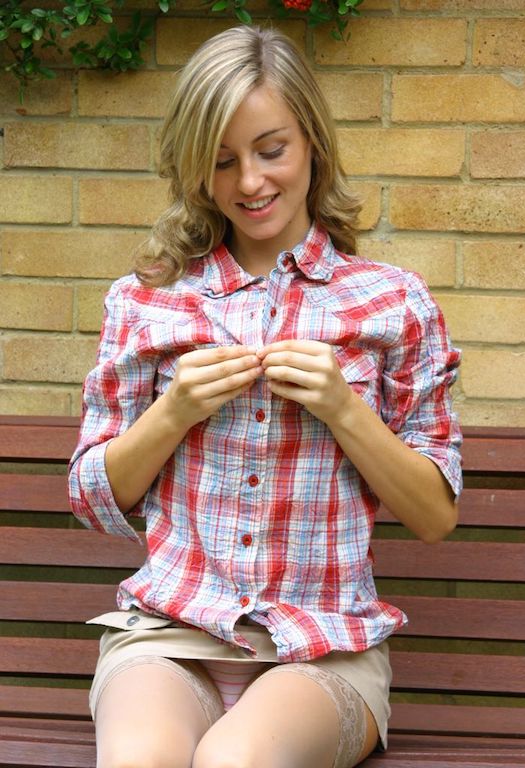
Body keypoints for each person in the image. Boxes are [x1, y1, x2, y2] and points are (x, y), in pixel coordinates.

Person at [69, 24, 462, 768]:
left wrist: (344, 409)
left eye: (271, 150)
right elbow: (92, 500)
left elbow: (435, 515)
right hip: (169, 636)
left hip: (324, 648)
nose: (249, 182)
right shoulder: (144, 301)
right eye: (222, 161)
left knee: (236, 761)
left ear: (312, 142)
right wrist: (172, 412)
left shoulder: (394, 302)